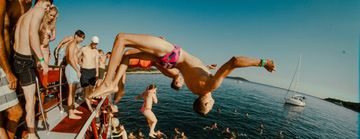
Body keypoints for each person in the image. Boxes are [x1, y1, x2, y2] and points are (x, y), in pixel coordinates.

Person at [90, 33, 276, 116]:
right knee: (127, 55)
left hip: (173, 54)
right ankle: (116, 84)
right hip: (170, 60)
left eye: (210, 106)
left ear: (207, 102)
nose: (213, 104)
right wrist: (206, 67)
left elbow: (234, 60)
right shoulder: (195, 88)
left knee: (122, 38)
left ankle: (110, 83)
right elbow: (191, 71)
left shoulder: (212, 86)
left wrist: (263, 63)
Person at [12, 0, 53, 138]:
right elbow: (32, 35)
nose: (48, 9)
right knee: (31, 100)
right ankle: (31, 134)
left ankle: (24, 127)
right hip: (25, 60)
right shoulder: (39, 11)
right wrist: (42, 60)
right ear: (40, 1)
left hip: (16, 57)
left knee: (23, 98)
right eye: (47, 5)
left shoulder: (24, 14)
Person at [64, 30, 85, 119]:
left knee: (73, 92)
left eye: (83, 38)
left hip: (74, 68)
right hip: (72, 69)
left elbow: (76, 58)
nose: (82, 39)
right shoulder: (72, 44)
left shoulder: (75, 45)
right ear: (76, 35)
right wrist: (77, 70)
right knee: (71, 92)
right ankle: (70, 113)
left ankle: (73, 109)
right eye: (81, 37)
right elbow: (70, 58)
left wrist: (79, 65)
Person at [78, 36, 100, 111]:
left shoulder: (96, 51)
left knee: (91, 89)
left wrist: (97, 73)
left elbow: (97, 63)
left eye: (96, 44)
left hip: (93, 71)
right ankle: (89, 107)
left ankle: (89, 101)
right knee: (86, 89)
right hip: (85, 71)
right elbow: (77, 57)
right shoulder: (84, 49)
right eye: (94, 43)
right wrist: (80, 63)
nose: (95, 45)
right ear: (91, 42)